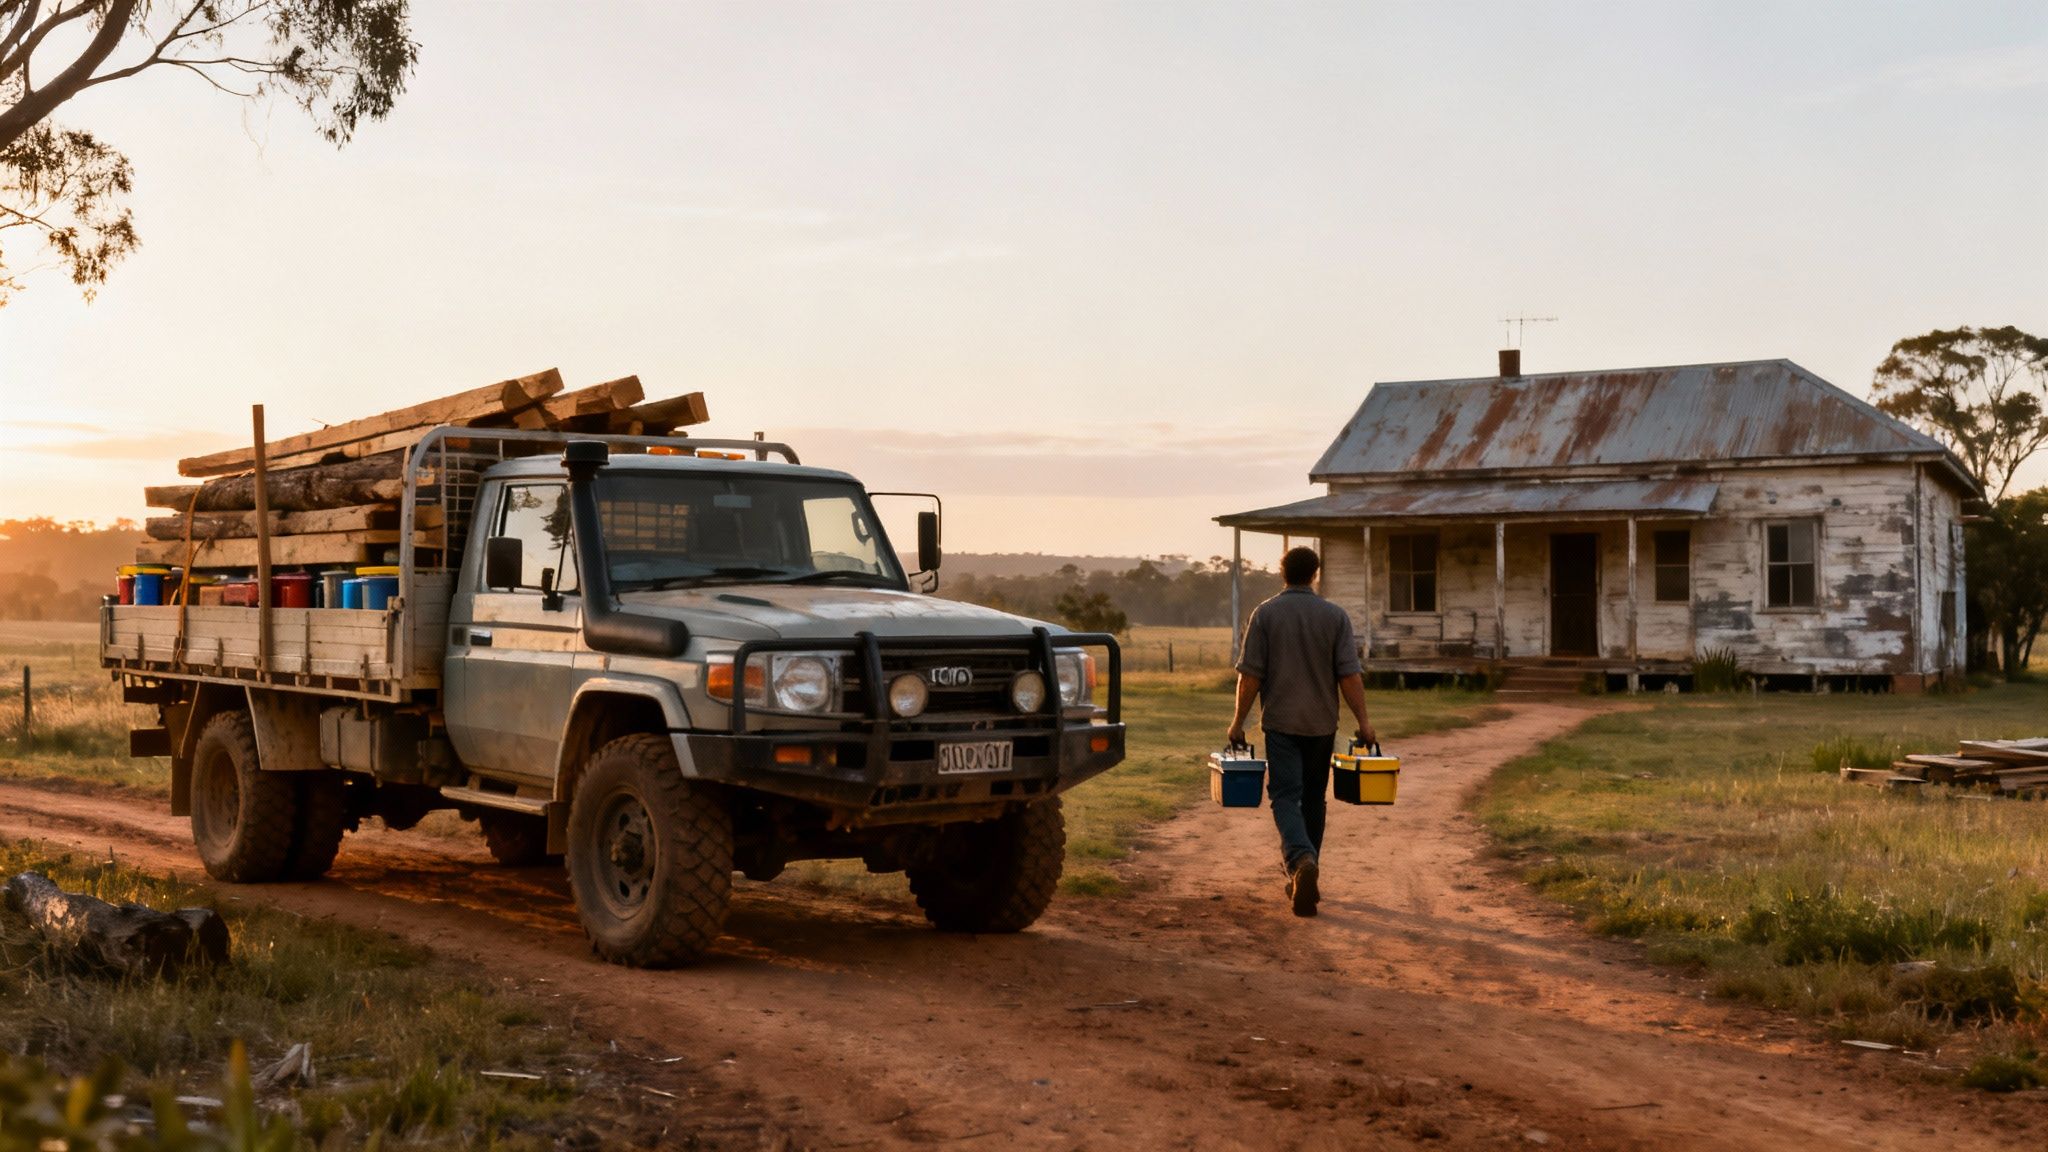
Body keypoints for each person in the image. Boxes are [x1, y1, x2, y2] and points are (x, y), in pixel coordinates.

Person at [1225, 546, 1376, 917]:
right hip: (1322, 724)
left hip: (1281, 723)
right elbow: (1349, 676)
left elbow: (1251, 676)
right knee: (1313, 799)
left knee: (1284, 796)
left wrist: (1238, 722)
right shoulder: (1334, 616)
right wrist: (1364, 722)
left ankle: (1300, 860)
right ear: (1315, 574)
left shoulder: (1266, 614)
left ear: (1282, 572)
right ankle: (1306, 874)